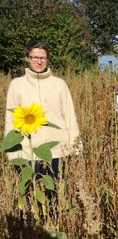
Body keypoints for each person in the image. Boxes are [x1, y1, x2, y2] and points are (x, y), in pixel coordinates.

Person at [4, 40, 81, 185]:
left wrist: (75, 147)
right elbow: (11, 120)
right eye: (34, 57)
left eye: (42, 58)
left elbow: (70, 117)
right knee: (29, 196)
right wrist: (12, 152)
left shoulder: (59, 84)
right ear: (28, 59)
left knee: (55, 197)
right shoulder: (17, 85)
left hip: (57, 152)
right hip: (27, 153)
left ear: (47, 59)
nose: (39, 61)